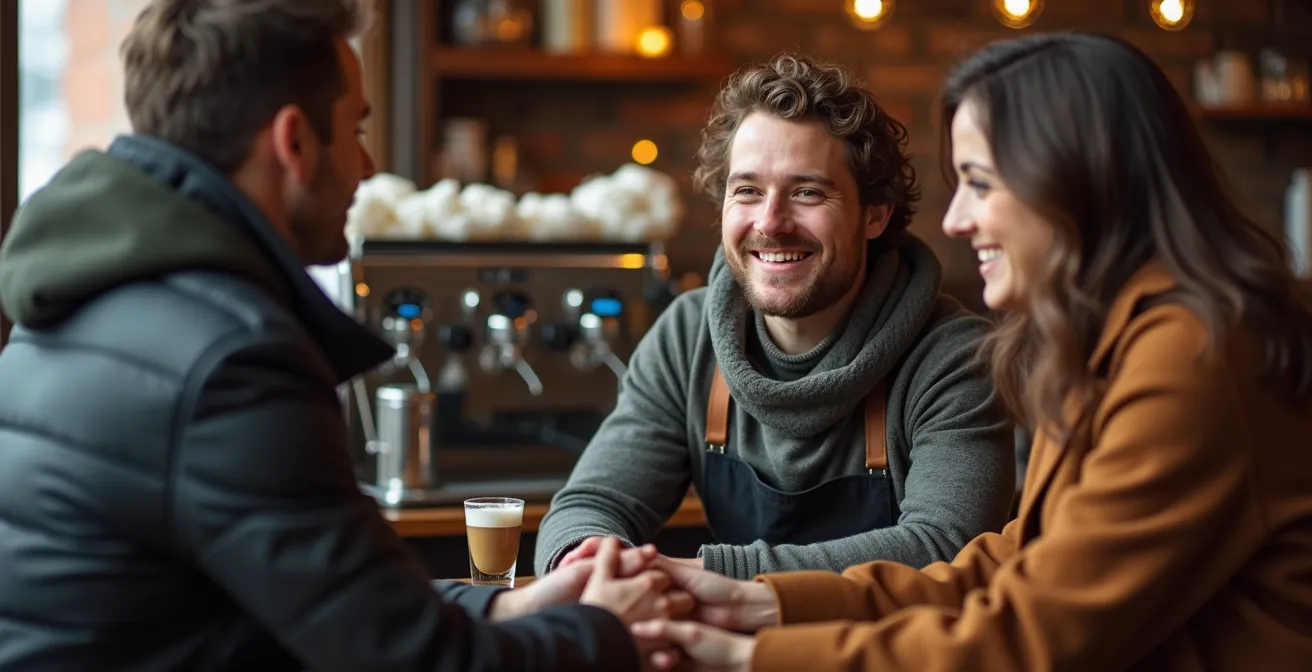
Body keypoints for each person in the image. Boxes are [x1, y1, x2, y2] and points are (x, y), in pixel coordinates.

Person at [0, 1, 684, 669]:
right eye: (356, 131)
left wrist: (511, 608)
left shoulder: (84, 296)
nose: (365, 168)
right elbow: (407, 656)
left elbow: (320, 607)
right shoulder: (232, 360)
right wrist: (605, 631)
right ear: (293, 142)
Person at [622, 31, 1312, 671]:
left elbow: (1033, 632)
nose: (955, 220)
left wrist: (750, 657)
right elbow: (1014, 566)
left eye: (980, 183)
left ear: (1077, 178)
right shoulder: (1111, 344)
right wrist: (761, 602)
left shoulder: (1194, 355)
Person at [534, 53, 1016, 581]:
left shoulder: (955, 357)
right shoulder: (687, 336)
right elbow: (591, 502)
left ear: (875, 214)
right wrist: (584, 563)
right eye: (747, 191)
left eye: (807, 192)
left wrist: (704, 577)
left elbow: (946, 550)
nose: (770, 222)